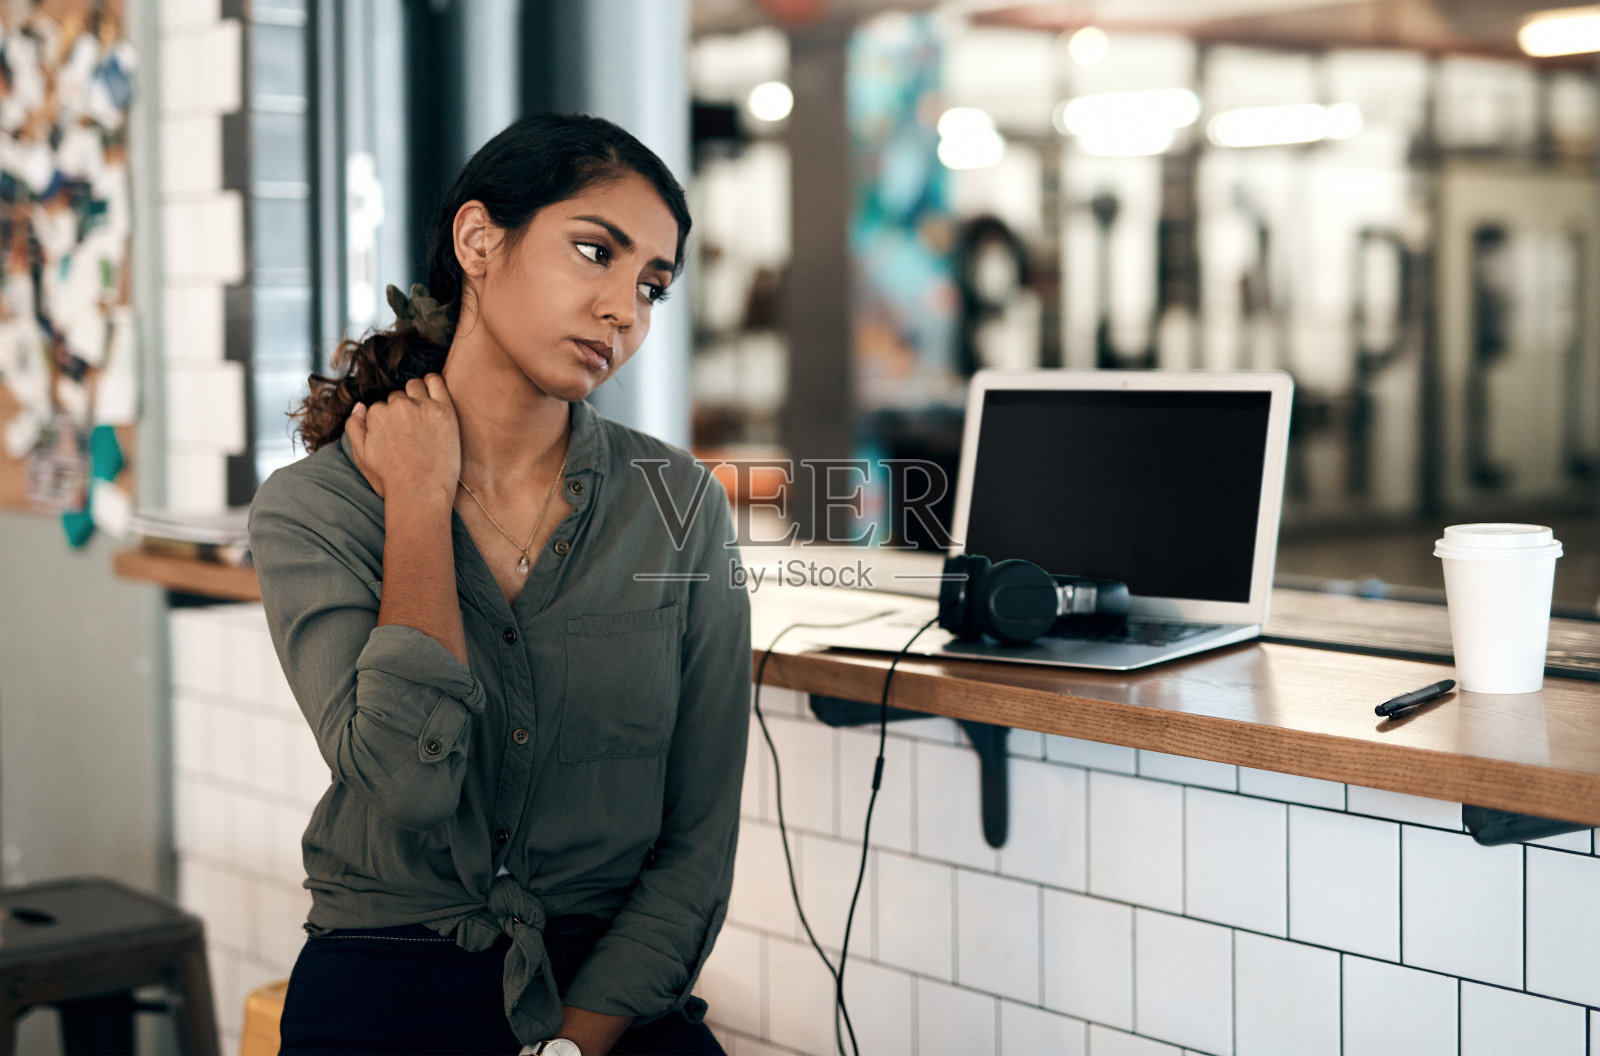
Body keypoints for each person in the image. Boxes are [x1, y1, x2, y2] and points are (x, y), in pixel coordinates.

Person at [248, 111, 751, 1056]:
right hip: (389, 970)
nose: (624, 311)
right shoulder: (314, 510)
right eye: (595, 252)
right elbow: (407, 783)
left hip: (606, 986)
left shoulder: (677, 504)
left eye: (651, 287)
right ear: (478, 240)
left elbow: (698, 846)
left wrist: (575, 1043)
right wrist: (419, 502)